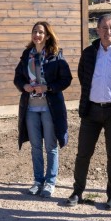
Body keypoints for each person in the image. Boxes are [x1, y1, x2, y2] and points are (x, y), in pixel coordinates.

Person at [65, 14, 111, 210]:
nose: (109, 32)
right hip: (92, 111)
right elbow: (83, 76)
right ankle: (78, 191)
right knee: (83, 154)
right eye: (104, 28)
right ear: (97, 30)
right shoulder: (89, 53)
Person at [14, 21, 73, 198]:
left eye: (41, 32)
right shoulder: (27, 55)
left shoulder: (56, 55)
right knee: (35, 147)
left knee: (50, 146)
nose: (37, 35)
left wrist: (48, 88)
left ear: (47, 36)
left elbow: (66, 79)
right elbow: (17, 78)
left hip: (49, 108)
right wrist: (23, 85)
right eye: (34, 32)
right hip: (30, 108)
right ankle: (38, 180)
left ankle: (50, 182)